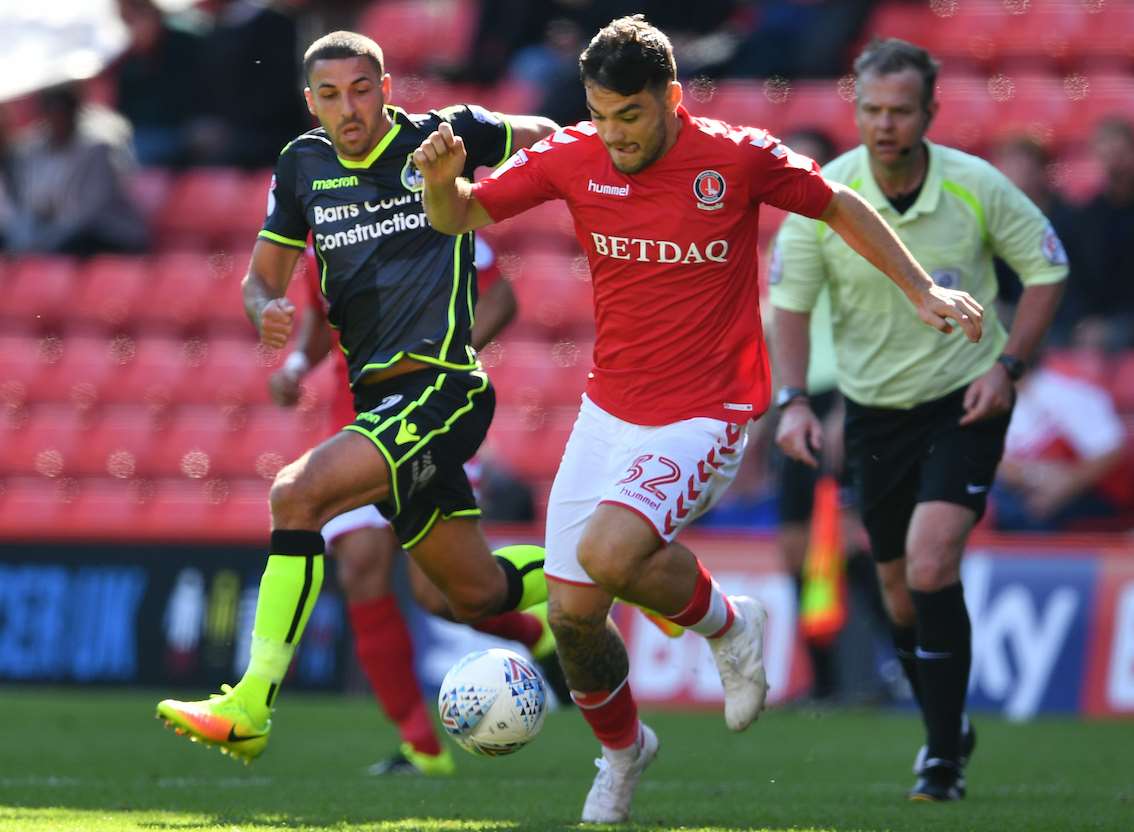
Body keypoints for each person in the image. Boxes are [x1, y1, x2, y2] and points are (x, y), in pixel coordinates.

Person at [413, 16, 983, 823]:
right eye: (600, 114)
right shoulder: (575, 153)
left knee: (609, 554)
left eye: (631, 116)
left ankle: (726, 626)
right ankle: (624, 754)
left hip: (709, 411)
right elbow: (460, 216)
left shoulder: (735, 157)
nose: (613, 135)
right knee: (573, 619)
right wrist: (441, 180)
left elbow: (838, 203)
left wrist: (920, 287)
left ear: (672, 98)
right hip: (609, 409)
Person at [155, 30, 560, 763]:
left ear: (386, 86)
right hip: (369, 408)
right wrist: (265, 316)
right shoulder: (301, 167)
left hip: (442, 390)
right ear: (311, 103)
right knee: (468, 594)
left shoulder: (441, 144)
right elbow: (262, 280)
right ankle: (605, 574)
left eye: (362, 89)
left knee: (295, 495)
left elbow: (548, 138)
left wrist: (512, 179)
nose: (349, 108)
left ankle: (250, 708)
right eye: (330, 95)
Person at [771, 38, 1067, 802]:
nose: (884, 124)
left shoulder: (976, 186)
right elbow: (790, 306)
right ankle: (948, 717)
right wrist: (796, 399)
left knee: (933, 564)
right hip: (872, 412)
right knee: (899, 591)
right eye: (871, 109)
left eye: (901, 110)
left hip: (963, 397)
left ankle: (941, 756)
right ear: (856, 110)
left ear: (930, 113)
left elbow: (1046, 269)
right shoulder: (823, 194)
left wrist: (1009, 370)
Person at [269, 240, 568, 776]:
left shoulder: (436, 210)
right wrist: (295, 364)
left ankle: (537, 630)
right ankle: (421, 747)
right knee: (361, 566)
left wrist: (441, 365)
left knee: (445, 596)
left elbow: (500, 299)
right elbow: (320, 319)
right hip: (354, 427)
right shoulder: (323, 227)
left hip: (432, 420)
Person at [1, 84, 148, 255]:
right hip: (55, 232)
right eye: (51, 111)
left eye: (61, 111)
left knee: (65, 246)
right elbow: (31, 204)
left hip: (106, 233)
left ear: (74, 112)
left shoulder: (97, 149)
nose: (56, 118)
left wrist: (46, 240)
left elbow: (87, 213)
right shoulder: (31, 150)